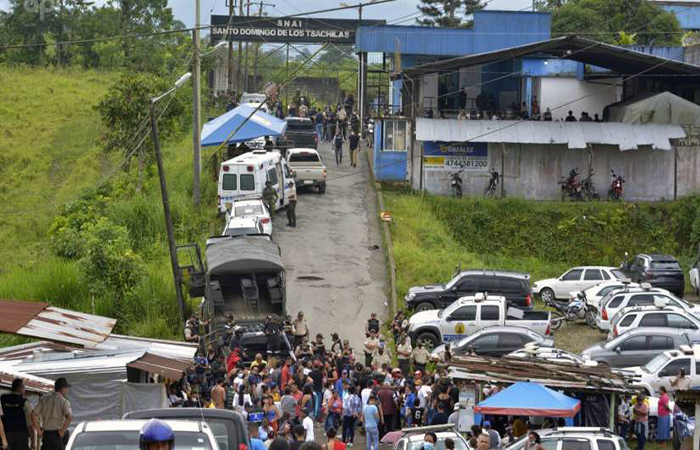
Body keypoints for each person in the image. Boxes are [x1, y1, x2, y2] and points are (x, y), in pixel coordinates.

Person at [31, 378, 72, 450]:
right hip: (57, 436)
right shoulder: (64, 401)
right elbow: (69, 417)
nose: (67, 390)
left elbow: (33, 414)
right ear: (63, 388)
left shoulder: (44, 399)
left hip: (46, 436)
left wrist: (39, 432)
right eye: (66, 388)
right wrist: (62, 431)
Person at [1, 378, 33, 450]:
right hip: (21, 436)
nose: (25, 389)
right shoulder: (24, 402)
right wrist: (33, 441)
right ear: (20, 388)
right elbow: (29, 425)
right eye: (24, 387)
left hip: (7, 434)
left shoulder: (3, 398)